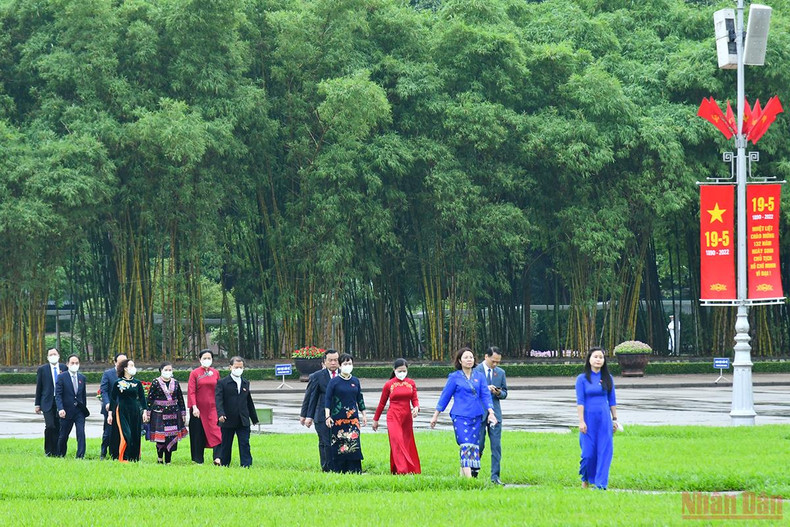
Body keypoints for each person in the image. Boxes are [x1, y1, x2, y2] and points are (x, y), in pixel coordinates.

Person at [430, 347, 496, 478]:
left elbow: (485, 395)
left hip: (476, 416)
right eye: (466, 357)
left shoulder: (479, 377)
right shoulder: (454, 377)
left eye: (471, 357)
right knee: (465, 444)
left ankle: (462, 477)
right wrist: (435, 416)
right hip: (460, 416)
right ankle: (469, 478)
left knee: (472, 446)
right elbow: (445, 397)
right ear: (460, 360)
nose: (469, 360)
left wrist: (491, 412)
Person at [576, 347, 618, 490]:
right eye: (595, 357)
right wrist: (581, 421)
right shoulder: (581, 379)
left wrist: (615, 419)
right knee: (588, 453)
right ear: (589, 359)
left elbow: (612, 401)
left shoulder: (608, 378)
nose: (598, 359)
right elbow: (580, 402)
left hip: (604, 420)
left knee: (604, 451)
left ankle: (601, 485)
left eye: (601, 357)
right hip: (588, 420)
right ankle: (586, 478)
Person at [372, 358, 421, 474]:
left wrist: (416, 407)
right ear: (394, 370)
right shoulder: (389, 384)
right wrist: (375, 419)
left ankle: (405, 468)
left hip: (407, 417)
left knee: (406, 442)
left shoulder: (411, 383)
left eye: (404, 370)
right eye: (400, 371)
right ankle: (402, 470)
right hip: (393, 417)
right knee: (397, 441)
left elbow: (415, 399)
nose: (402, 373)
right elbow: (382, 403)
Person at [324, 353, 367, 473]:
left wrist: (363, 414)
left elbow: (360, 399)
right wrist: (327, 416)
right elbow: (327, 399)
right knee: (340, 443)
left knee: (353, 442)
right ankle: (339, 469)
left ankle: (355, 469)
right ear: (340, 365)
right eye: (345, 363)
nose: (347, 366)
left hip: (353, 419)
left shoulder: (355, 381)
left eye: (350, 363)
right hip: (338, 418)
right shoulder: (334, 382)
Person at [299, 349, 340, 471]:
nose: (333, 363)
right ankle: (328, 468)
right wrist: (306, 415)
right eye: (330, 360)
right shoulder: (317, 377)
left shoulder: (345, 375)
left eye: (336, 360)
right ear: (324, 362)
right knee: (325, 442)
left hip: (340, 415)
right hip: (321, 416)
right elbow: (310, 397)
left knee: (337, 442)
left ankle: (338, 467)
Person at [215, 356, 258, 467]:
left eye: (241, 367)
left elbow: (249, 401)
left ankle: (246, 465)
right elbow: (218, 400)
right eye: (236, 367)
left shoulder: (245, 383)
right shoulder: (222, 383)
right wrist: (221, 414)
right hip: (227, 419)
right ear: (230, 367)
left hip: (243, 419)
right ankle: (224, 464)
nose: (238, 369)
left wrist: (254, 419)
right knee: (226, 444)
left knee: (244, 443)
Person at [475, 346, 508, 484]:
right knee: (479, 445)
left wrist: (498, 393)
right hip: (479, 413)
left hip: (495, 415)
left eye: (498, 362)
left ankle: (495, 477)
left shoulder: (500, 373)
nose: (495, 364)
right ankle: (473, 472)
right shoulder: (475, 371)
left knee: (496, 446)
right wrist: (484, 390)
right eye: (493, 361)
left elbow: (505, 393)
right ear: (486, 357)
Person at [146, 362, 188, 464]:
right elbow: (150, 399)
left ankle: (168, 461)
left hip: (173, 413)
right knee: (160, 438)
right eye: (166, 370)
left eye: (170, 370)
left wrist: (183, 413)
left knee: (171, 437)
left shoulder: (176, 383)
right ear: (161, 371)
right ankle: (160, 458)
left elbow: (180, 399)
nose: (168, 372)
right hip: (159, 413)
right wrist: (147, 413)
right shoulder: (155, 382)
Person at [108, 359, 148, 462]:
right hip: (122, 411)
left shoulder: (137, 383)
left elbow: (142, 398)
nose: (133, 367)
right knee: (126, 434)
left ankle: (134, 458)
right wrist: (110, 413)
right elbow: (113, 399)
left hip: (135, 411)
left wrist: (144, 411)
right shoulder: (118, 383)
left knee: (135, 434)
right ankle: (124, 457)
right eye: (131, 365)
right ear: (125, 368)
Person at [188, 349, 222, 464]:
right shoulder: (195, 373)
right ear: (200, 359)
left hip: (213, 408)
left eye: (209, 358)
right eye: (204, 358)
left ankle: (217, 457)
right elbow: (191, 391)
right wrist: (194, 406)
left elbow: (219, 390)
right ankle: (198, 459)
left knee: (217, 431)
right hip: (198, 408)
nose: (207, 360)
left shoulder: (216, 373)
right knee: (198, 434)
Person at [55, 354, 89, 459]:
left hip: (79, 411)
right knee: (64, 435)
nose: (74, 365)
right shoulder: (61, 377)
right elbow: (58, 395)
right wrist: (60, 408)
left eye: (77, 363)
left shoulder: (82, 378)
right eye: (72, 363)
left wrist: (84, 408)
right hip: (66, 411)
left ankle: (80, 455)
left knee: (81, 433)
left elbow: (83, 395)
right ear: (67, 364)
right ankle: (60, 454)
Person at [34, 348, 67, 456]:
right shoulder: (42, 369)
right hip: (47, 401)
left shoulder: (63, 368)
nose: (53, 356)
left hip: (60, 402)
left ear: (58, 355)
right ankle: (48, 450)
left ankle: (57, 451)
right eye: (50, 354)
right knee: (50, 426)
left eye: (55, 354)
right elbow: (39, 387)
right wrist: (37, 404)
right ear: (48, 357)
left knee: (58, 426)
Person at [99, 353, 127, 459]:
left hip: (124, 408)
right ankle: (103, 453)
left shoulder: (128, 374)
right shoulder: (108, 374)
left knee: (121, 432)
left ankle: (117, 453)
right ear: (115, 362)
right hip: (110, 408)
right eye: (120, 362)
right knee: (108, 432)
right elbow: (104, 390)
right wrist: (107, 403)